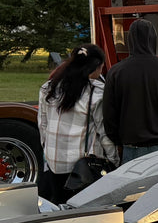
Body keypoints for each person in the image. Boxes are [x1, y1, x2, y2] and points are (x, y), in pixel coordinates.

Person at [36, 44, 116, 204]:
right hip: (82, 167)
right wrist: (113, 159)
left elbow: (42, 124)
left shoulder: (48, 88)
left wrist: (47, 150)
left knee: (57, 204)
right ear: (96, 67)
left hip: (54, 161)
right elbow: (103, 132)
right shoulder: (97, 93)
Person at [102, 17, 158, 160]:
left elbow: (109, 115)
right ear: (153, 39)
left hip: (132, 150)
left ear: (130, 41)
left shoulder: (116, 72)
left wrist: (118, 141)